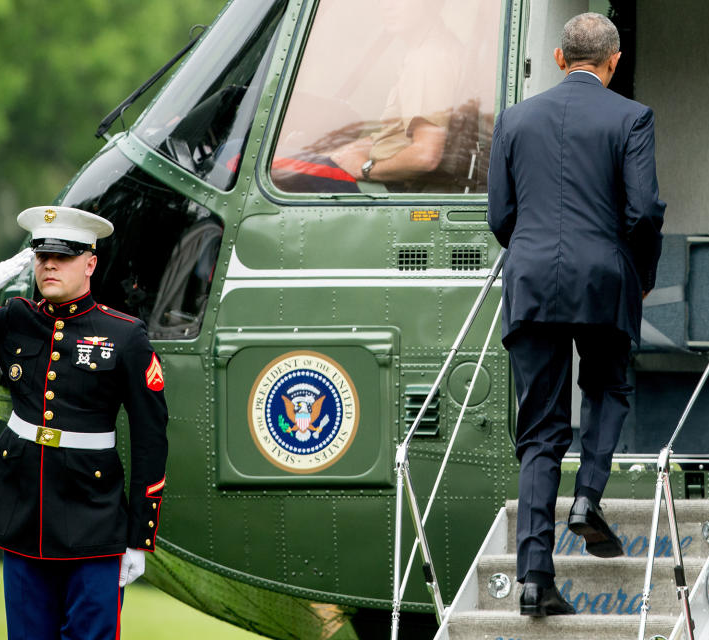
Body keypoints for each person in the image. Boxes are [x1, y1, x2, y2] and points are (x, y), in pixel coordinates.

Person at [0, 206, 169, 639]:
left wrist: (139, 536)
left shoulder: (125, 336)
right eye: (42, 254)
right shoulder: (16, 319)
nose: (49, 264)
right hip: (22, 511)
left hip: (94, 519)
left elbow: (149, 440)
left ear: (90, 263)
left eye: (63, 256)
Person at [487, 13, 665, 617]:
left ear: (561, 59)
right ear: (613, 63)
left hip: (532, 281)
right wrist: (639, 274)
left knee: (539, 432)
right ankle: (588, 497)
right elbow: (643, 211)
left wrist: (536, 247)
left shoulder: (514, 119)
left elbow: (500, 216)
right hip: (603, 278)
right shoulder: (631, 117)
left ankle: (534, 580)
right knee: (608, 388)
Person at [271, 0, 460, 193]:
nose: (387, 5)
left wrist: (365, 169)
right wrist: (337, 154)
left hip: (385, 188)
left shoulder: (428, 59)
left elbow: (425, 156)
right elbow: (396, 136)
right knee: (301, 156)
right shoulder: (434, 47)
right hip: (389, 178)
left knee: (256, 159)